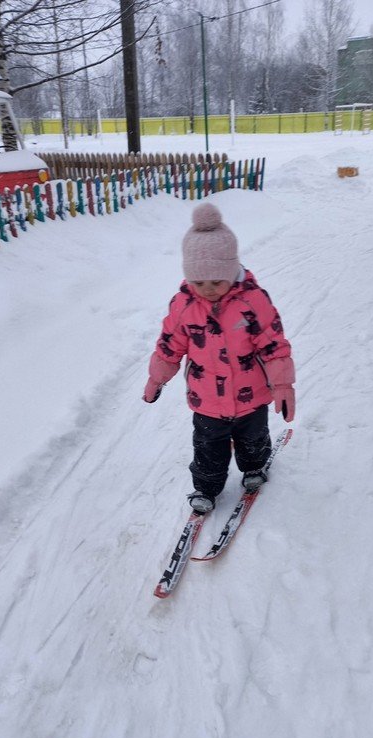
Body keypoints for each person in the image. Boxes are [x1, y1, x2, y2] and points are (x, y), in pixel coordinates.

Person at [143, 202, 295, 514]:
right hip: (207, 400)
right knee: (208, 449)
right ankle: (206, 487)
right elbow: (170, 344)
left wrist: (283, 386)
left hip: (252, 396)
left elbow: (274, 345)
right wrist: (157, 377)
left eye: (217, 281)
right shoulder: (184, 305)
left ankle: (254, 467)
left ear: (231, 270)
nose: (208, 289)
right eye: (199, 282)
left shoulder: (252, 302)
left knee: (253, 439)